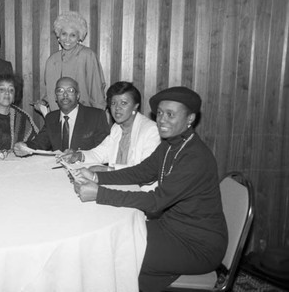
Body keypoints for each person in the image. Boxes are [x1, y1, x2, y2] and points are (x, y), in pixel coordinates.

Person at [71, 86, 228, 292]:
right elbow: (140, 173)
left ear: (190, 119)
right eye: (160, 113)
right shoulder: (170, 145)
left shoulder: (195, 157)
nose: (162, 120)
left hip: (197, 245)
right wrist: (97, 176)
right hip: (170, 227)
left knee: (115, 255)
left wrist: (99, 193)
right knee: (113, 239)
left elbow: (156, 201)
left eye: (170, 114)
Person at [59, 82, 161, 190]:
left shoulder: (151, 130)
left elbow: (145, 173)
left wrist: (106, 170)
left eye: (124, 103)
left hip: (141, 192)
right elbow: (100, 153)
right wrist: (78, 155)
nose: (117, 108)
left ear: (136, 106)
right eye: (113, 103)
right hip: (117, 186)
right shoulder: (117, 127)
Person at [14, 77, 110, 155]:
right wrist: (24, 146)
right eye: (60, 90)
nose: (65, 95)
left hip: (86, 170)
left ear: (78, 96)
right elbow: (40, 143)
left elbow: (104, 151)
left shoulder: (96, 116)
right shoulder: (51, 118)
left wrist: (78, 155)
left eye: (70, 90)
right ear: (55, 97)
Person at [36, 11, 106, 113]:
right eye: (64, 34)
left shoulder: (87, 56)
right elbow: (51, 92)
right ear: (58, 35)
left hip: (84, 116)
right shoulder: (52, 60)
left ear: (79, 37)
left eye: (73, 35)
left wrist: (98, 118)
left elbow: (96, 92)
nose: (67, 39)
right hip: (57, 117)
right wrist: (43, 101)